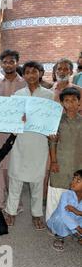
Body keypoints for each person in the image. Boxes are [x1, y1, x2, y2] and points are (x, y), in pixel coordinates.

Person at [4, 61, 55, 230]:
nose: (31, 75)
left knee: (37, 180)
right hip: (21, 141)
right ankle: (10, 212)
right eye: (27, 72)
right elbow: (10, 121)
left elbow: (52, 120)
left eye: (35, 72)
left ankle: (36, 214)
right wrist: (18, 120)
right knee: (15, 178)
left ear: (40, 73)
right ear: (23, 75)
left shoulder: (49, 95)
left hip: (40, 142)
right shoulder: (18, 95)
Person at [0, 49, 27, 211]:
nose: (8, 64)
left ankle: (14, 204)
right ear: (1, 64)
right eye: (5, 62)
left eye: (11, 61)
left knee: (14, 170)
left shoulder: (25, 84)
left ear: (17, 63)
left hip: (18, 136)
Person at [47, 88, 82, 221]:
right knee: (56, 195)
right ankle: (55, 227)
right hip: (60, 164)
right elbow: (52, 143)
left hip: (78, 164)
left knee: (75, 196)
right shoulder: (57, 121)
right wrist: (54, 162)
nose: (71, 103)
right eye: (67, 100)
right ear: (62, 103)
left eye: (74, 100)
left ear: (79, 102)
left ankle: (73, 227)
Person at [47, 170, 82, 252]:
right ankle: (59, 236)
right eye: (74, 179)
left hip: (76, 221)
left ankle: (75, 233)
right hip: (60, 221)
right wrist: (78, 228)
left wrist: (77, 212)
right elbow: (64, 215)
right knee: (61, 220)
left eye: (78, 181)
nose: (73, 182)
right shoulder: (66, 195)